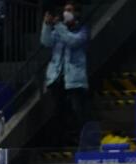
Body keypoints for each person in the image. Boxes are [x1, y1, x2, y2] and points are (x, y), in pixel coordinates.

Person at [41, 2, 89, 147]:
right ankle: (61, 141)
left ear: (77, 13)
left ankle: (82, 140)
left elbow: (72, 41)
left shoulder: (82, 30)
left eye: (69, 10)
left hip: (74, 78)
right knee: (58, 112)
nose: (65, 13)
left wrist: (59, 26)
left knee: (76, 110)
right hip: (57, 77)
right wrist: (47, 25)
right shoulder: (58, 30)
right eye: (64, 10)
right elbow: (46, 42)